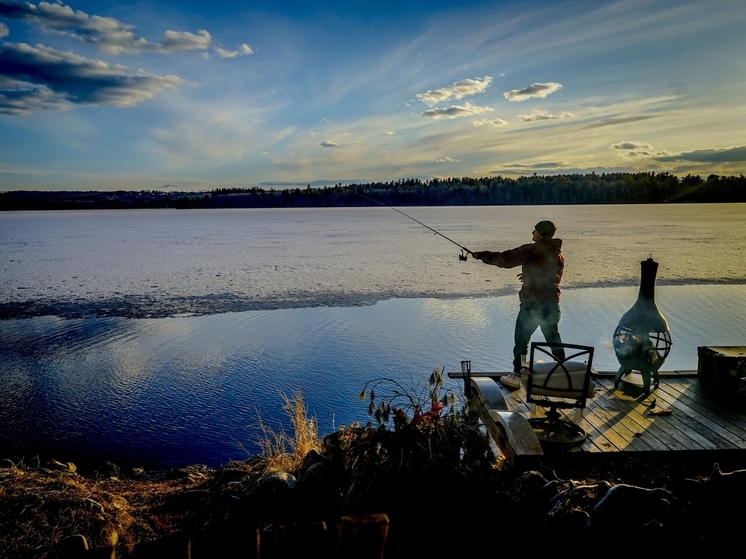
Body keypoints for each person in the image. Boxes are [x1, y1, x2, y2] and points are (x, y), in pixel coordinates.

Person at [472, 220, 565, 388]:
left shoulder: (531, 250)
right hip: (551, 304)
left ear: (542, 234)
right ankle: (564, 373)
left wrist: (480, 255)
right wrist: (529, 275)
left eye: (535, 230)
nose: (532, 233)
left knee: (521, 341)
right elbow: (552, 275)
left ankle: (517, 375)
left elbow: (504, 259)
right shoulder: (557, 253)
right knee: (553, 338)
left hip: (532, 306)